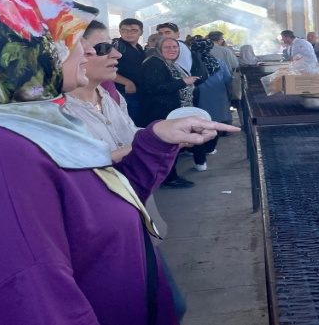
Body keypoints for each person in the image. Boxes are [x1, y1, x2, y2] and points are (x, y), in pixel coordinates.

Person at [0, 0, 237, 324]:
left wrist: (156, 140)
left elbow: (98, 205)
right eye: (67, 42)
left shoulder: (34, 125)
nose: (87, 53)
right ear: (16, 54)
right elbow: (29, 296)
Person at [63, 19, 187, 320]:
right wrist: (153, 140)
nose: (116, 55)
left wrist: (168, 134)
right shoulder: (57, 111)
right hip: (103, 233)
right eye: (104, 48)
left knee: (167, 306)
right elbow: (77, 170)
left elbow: (132, 136)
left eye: (114, 47)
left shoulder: (110, 96)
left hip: (138, 218)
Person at [140, 36, 201, 188]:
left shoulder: (167, 63)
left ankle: (169, 176)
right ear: (159, 49)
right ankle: (167, 178)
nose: (172, 50)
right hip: (159, 112)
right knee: (165, 145)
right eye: (167, 47)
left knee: (170, 145)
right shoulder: (154, 63)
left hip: (168, 111)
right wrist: (183, 82)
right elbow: (155, 88)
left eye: (175, 47)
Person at [188, 38, 233, 171]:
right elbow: (227, 78)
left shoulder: (190, 64)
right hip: (217, 96)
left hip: (198, 96)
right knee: (215, 122)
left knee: (197, 125)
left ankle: (198, 155)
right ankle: (210, 148)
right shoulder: (218, 62)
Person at [112, 17, 147, 126]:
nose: (129, 33)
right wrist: (127, 82)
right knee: (130, 122)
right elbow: (103, 68)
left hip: (139, 91)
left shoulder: (139, 47)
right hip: (124, 92)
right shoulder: (116, 46)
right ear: (120, 31)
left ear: (141, 32)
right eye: (125, 30)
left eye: (134, 30)